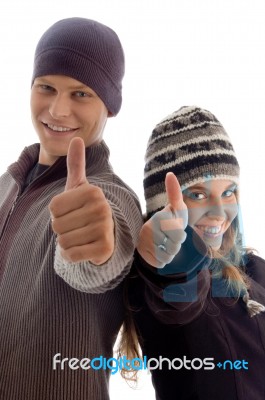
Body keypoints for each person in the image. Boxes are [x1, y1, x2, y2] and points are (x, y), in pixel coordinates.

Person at [0, 18, 142, 400]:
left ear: (110, 107)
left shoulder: (112, 196)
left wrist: (98, 247)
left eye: (81, 94)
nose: (58, 110)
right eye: (46, 87)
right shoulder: (6, 185)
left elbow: (99, 259)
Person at [125, 106, 265, 399]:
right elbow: (177, 295)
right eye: (198, 194)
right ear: (164, 205)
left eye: (228, 192)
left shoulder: (255, 268)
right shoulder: (158, 277)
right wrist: (173, 261)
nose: (219, 211)